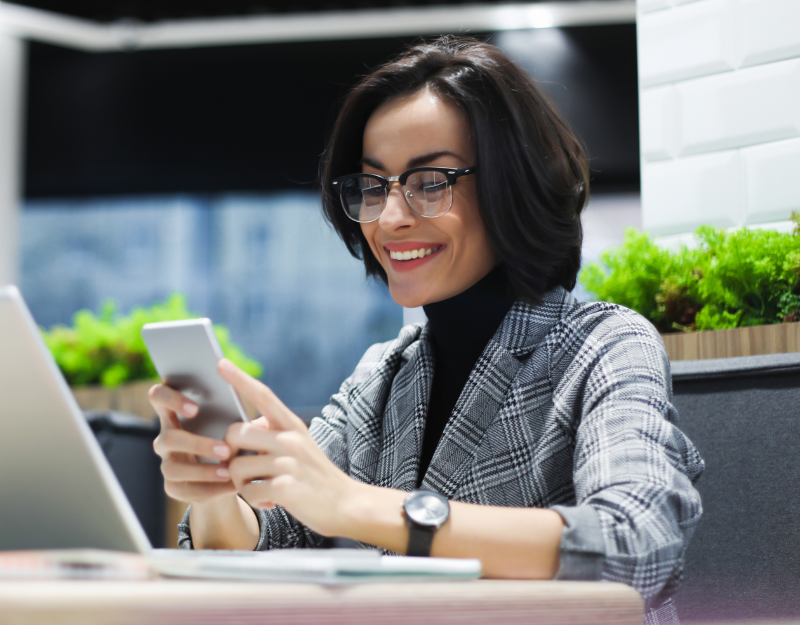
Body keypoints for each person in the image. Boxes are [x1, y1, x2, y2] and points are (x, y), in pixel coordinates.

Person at [149, 36, 704, 621]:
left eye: (430, 182)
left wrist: (359, 506)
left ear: (511, 184)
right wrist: (215, 489)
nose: (390, 218)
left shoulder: (606, 345)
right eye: (372, 186)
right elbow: (274, 540)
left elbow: (636, 546)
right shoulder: (382, 376)